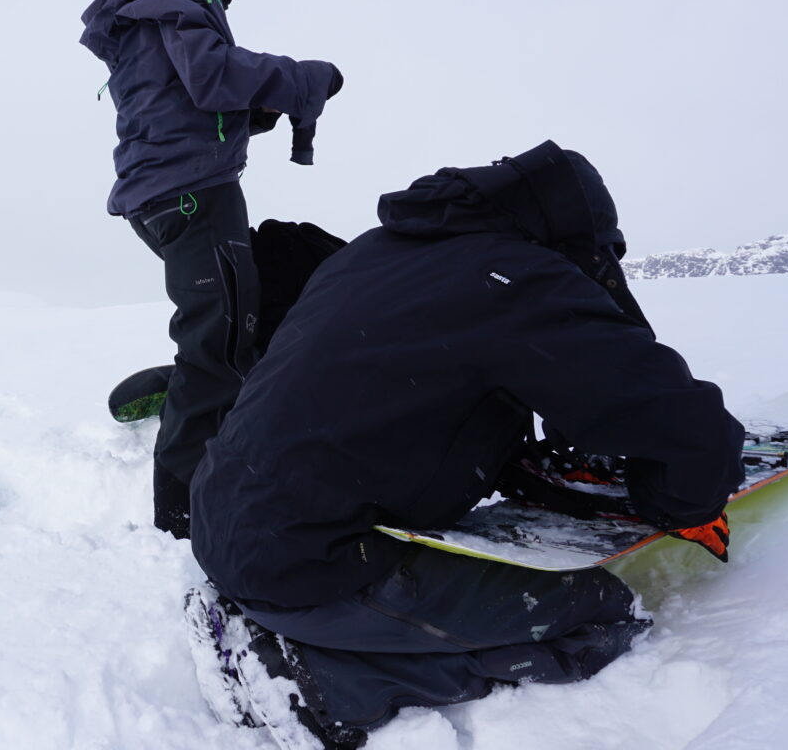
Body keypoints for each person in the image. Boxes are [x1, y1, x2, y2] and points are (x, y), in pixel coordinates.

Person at [187, 140, 745, 747]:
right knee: (599, 613)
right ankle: (319, 680)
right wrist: (681, 502)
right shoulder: (515, 280)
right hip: (308, 569)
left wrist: (519, 457)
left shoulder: (380, 251)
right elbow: (692, 432)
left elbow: (405, 385)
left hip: (226, 524)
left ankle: (291, 626)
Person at [79, 0, 344, 539]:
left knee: (257, 299)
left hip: (178, 189)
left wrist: (263, 110)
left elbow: (185, 98)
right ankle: (184, 516)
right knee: (220, 338)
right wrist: (303, 80)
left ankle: (198, 387)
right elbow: (213, 76)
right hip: (191, 195)